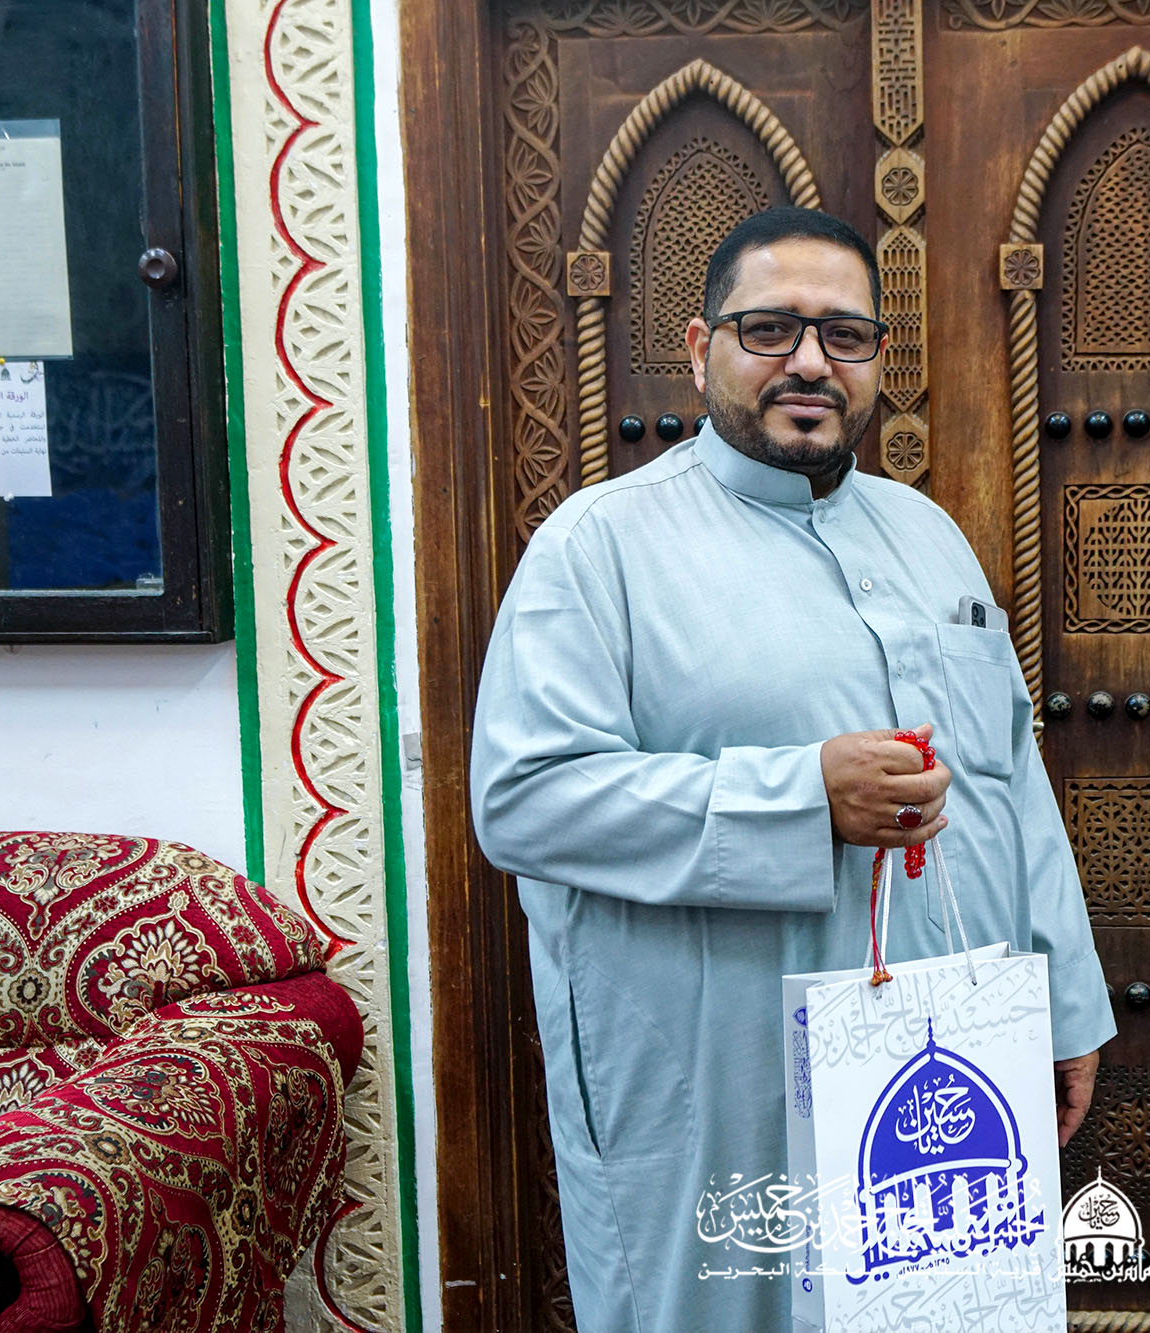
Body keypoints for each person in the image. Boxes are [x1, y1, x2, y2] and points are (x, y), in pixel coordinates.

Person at [469, 206, 1116, 1333]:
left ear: (875, 361)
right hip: (721, 1087)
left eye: (844, 335)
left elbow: (1011, 782)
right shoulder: (598, 546)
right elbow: (525, 801)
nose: (810, 361)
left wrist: (1062, 1007)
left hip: (939, 1077)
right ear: (698, 349)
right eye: (769, 329)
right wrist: (800, 798)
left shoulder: (928, 537)